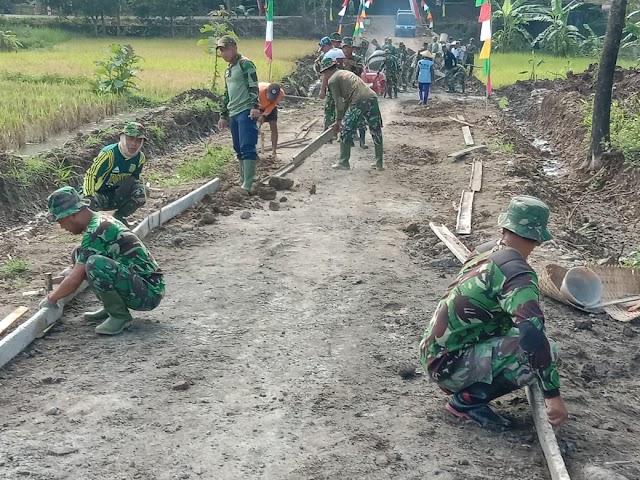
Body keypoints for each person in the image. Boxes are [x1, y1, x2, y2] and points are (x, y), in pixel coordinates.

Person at [420, 195, 569, 429]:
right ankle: (465, 402)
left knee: (524, 340)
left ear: (504, 227)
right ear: (539, 240)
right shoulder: (518, 275)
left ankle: (463, 384)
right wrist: (553, 395)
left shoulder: (485, 251)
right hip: (448, 365)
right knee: (544, 351)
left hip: (436, 351)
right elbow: (532, 334)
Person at [41, 187, 165, 335]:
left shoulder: (97, 230)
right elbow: (77, 268)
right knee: (80, 253)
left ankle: (119, 316)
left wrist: (51, 299)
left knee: (95, 264)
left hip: (149, 293)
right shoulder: (100, 220)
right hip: (141, 284)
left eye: (60, 221)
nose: (62, 227)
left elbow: (75, 278)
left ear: (70, 216)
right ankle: (110, 306)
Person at [319, 58, 384, 171]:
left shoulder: (333, 80)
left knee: (345, 129)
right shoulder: (345, 73)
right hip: (371, 97)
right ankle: (379, 162)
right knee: (376, 129)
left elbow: (339, 103)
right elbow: (346, 101)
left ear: (325, 71)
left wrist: (339, 122)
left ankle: (343, 162)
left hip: (359, 100)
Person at [216, 35, 261, 192]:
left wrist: (255, 106)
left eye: (226, 49)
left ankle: (248, 183)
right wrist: (223, 115)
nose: (223, 53)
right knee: (237, 146)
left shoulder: (245, 64)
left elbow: (253, 85)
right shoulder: (228, 70)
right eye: (221, 51)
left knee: (247, 145)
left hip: (245, 110)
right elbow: (227, 93)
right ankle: (242, 177)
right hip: (234, 112)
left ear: (234, 47)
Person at [82, 122, 149, 228]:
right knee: (83, 204)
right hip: (99, 195)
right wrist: (89, 196)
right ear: (123, 138)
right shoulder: (109, 154)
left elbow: (134, 179)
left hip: (117, 195)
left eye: (138, 141)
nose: (133, 144)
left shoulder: (140, 158)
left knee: (143, 192)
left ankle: (120, 218)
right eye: (130, 139)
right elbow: (91, 175)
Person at [341, 36, 368, 149]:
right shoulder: (339, 59)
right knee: (346, 117)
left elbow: (360, 70)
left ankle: (362, 141)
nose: (346, 50)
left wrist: (351, 65)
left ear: (352, 49)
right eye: (344, 48)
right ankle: (349, 139)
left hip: (356, 90)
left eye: (348, 48)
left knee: (360, 116)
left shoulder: (358, 59)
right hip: (344, 91)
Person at [258, 82, 285, 158]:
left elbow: (273, 105)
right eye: (269, 97)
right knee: (255, 128)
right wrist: (259, 115)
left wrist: (264, 115)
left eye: (273, 98)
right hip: (257, 107)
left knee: (274, 127)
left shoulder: (281, 93)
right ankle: (254, 152)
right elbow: (251, 103)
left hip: (271, 108)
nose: (271, 99)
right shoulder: (258, 91)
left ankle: (274, 152)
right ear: (267, 91)